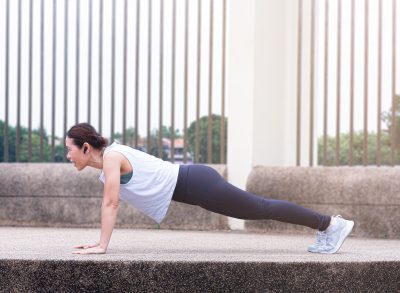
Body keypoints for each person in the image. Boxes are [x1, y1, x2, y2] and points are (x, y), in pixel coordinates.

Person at [66, 123, 354, 255]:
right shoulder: (108, 166)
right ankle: (327, 226)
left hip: (198, 182)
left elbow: (111, 204)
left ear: (86, 148)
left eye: (70, 150)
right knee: (258, 208)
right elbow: (111, 201)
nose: (68, 156)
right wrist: (100, 243)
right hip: (196, 186)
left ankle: (330, 225)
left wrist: (102, 246)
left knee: (259, 208)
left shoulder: (113, 158)